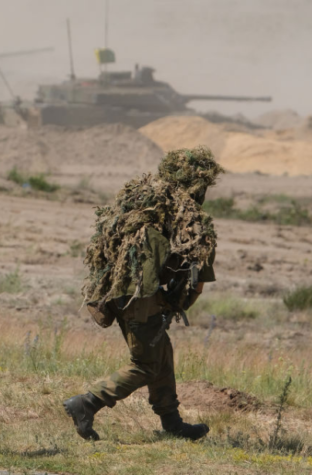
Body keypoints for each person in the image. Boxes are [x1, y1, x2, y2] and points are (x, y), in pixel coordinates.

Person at [65, 148, 223, 442]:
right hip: (141, 299)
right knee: (146, 364)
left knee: (162, 354)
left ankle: (172, 421)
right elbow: (198, 282)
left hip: (116, 292)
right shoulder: (190, 218)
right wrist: (177, 303)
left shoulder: (139, 200)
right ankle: (87, 403)